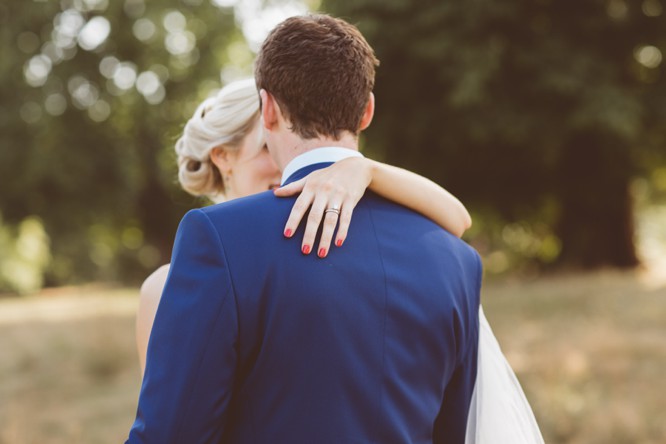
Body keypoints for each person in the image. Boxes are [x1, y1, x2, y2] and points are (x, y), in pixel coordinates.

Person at [127, 14, 542, 444]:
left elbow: (169, 435)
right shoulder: (456, 260)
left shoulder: (217, 239)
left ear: (267, 109)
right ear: (367, 111)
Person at [135, 78, 472, 373]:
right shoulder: (166, 286)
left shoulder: (325, 251)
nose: (289, 165)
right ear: (223, 157)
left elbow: (457, 219)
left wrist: (366, 170)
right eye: (267, 148)